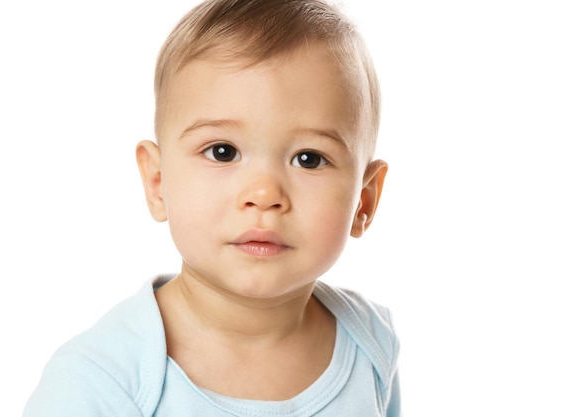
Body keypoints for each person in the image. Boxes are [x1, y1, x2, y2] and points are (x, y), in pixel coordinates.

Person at [23, 0, 399, 415]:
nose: (263, 194)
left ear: (364, 201)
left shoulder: (371, 344)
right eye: (223, 152)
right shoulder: (102, 380)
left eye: (309, 158)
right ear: (158, 181)